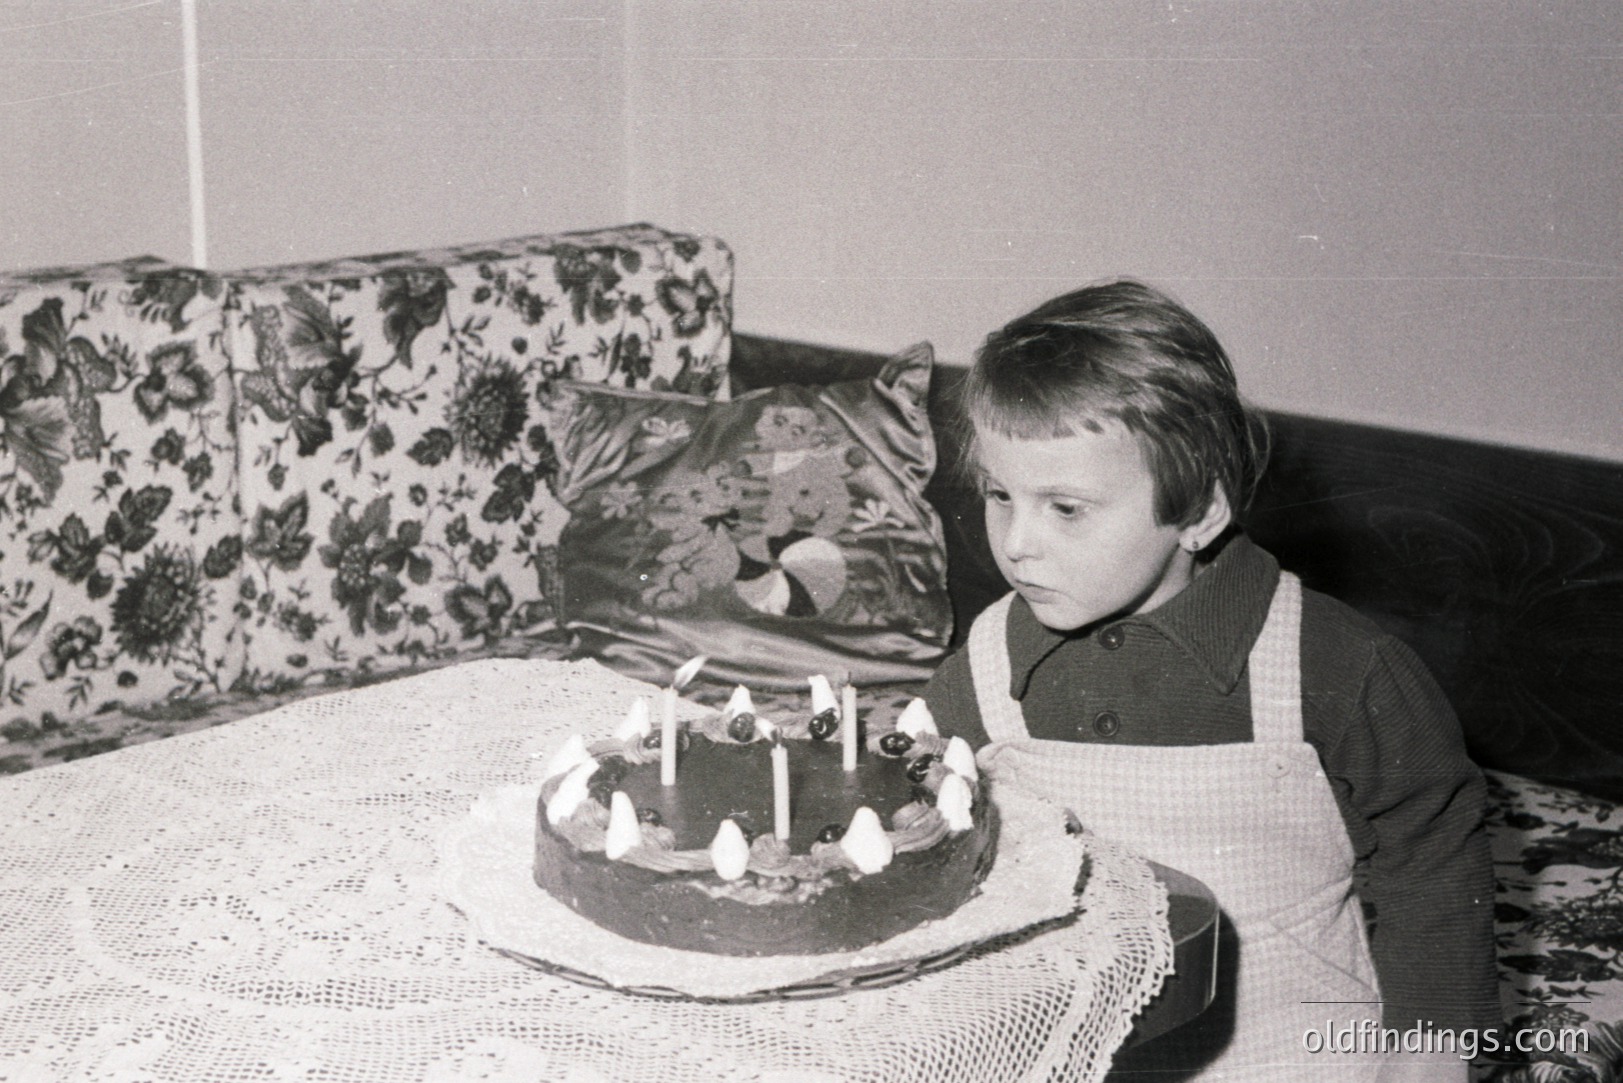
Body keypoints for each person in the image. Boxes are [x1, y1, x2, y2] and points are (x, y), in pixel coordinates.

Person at [922, 279, 1498, 1080]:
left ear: (1197, 513)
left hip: (1293, 1052)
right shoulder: (984, 664)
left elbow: (1429, 857)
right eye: (996, 494)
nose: (1015, 543)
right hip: (1065, 1052)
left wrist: (1431, 1055)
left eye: (1065, 508)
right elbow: (911, 810)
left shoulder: (1334, 664)